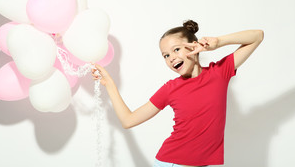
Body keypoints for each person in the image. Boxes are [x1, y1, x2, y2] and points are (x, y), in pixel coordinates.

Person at [92, 20, 264, 167]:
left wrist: (219, 42)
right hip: (172, 163)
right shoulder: (171, 88)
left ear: (194, 46)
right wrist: (109, 85)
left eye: (176, 50)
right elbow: (128, 120)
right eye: (165, 55)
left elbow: (257, 36)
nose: (171, 58)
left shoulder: (219, 72)